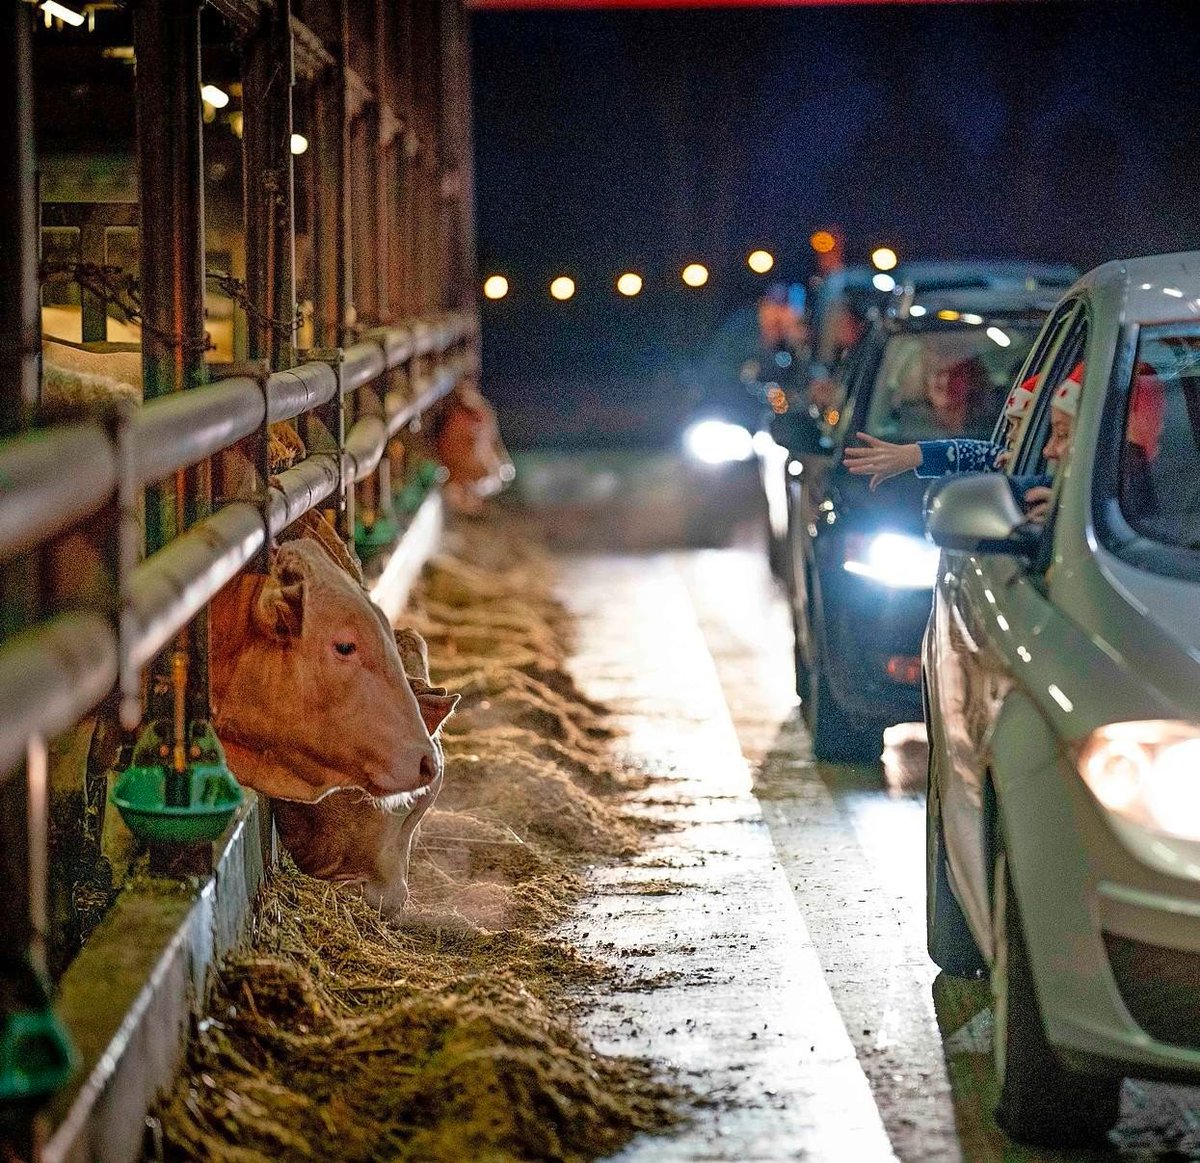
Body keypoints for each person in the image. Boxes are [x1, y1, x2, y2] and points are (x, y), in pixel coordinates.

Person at [844, 376, 1036, 490]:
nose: (1011, 435)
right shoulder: (909, 416)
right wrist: (916, 455)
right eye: (1011, 424)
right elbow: (988, 456)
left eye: (1023, 424)